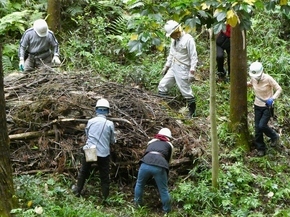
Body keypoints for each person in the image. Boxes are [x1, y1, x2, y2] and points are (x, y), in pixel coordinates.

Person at [72, 98, 116, 202]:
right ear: (107, 111)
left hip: (90, 150)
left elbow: (87, 135)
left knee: (84, 171)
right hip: (103, 153)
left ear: (96, 110)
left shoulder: (90, 121)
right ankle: (105, 197)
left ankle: (78, 190)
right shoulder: (109, 124)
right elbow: (112, 141)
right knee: (104, 176)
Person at [158, 20, 198, 118]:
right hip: (173, 66)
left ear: (177, 31)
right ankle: (164, 108)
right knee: (162, 85)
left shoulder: (188, 40)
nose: (172, 36)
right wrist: (166, 66)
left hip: (183, 68)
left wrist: (192, 72)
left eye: (172, 34)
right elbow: (172, 53)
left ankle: (192, 112)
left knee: (186, 91)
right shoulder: (173, 40)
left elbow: (194, 57)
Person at [134, 128, 174, 214]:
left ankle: (137, 205)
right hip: (160, 165)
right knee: (163, 189)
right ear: (168, 137)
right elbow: (169, 161)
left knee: (139, 184)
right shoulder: (169, 145)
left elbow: (147, 152)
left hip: (145, 163)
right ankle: (167, 211)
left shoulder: (151, 142)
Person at [247, 61, 282, 156]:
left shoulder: (268, 78)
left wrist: (272, 98)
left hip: (267, 106)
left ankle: (274, 136)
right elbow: (251, 83)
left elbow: (279, 89)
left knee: (262, 125)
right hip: (257, 105)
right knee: (257, 128)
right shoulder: (253, 78)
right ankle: (261, 148)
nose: (256, 77)